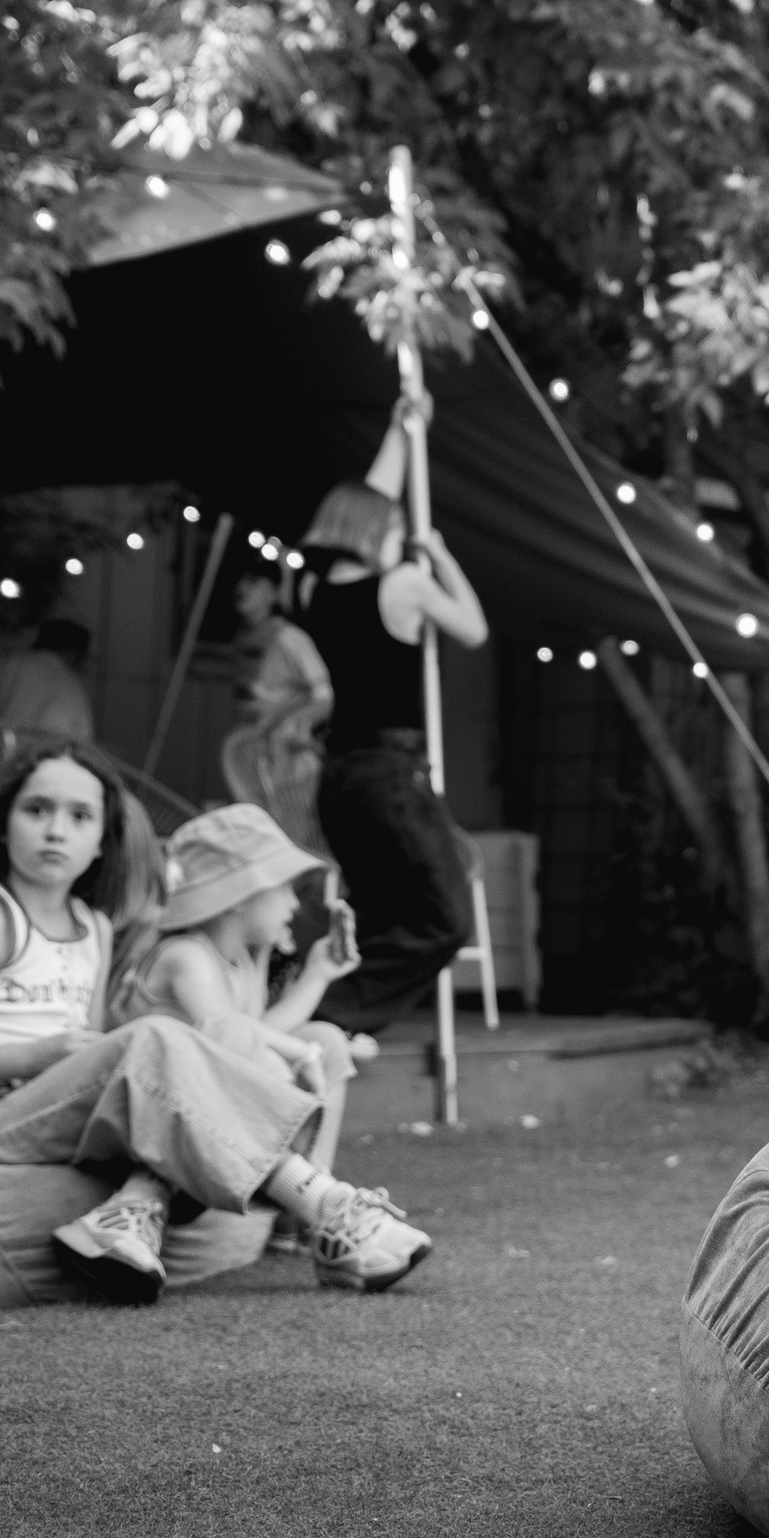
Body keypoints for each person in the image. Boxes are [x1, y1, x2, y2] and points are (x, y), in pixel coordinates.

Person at [0, 740, 431, 1303]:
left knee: (171, 1084)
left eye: (80, 816)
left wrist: (69, 1062)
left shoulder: (92, 927)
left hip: (53, 1112)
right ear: (1, 827)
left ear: (101, 842)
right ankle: (326, 1208)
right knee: (162, 1042)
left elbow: (89, 1052)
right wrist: (34, 1056)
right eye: (36, 810)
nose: (56, 830)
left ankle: (130, 1213)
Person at [294, 395, 489, 1034]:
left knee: (380, 917)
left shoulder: (312, 589)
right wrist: (440, 554)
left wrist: (401, 430)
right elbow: (474, 629)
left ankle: (324, 1023)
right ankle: (328, 1017)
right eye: (393, 527)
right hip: (389, 775)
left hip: (340, 780)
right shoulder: (402, 585)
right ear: (372, 528)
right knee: (445, 920)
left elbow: (371, 495)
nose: (399, 536)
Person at [112, 804, 364, 1251]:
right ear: (241, 895)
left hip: (211, 1109)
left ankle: (306, 1205)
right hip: (159, 1116)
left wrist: (318, 975)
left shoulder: (243, 960)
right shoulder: (186, 956)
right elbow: (227, 1031)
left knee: (325, 1042)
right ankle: (308, 1197)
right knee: (266, 1048)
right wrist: (296, 1054)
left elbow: (259, 1028)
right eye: (284, 889)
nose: (294, 904)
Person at [223, 569, 334, 855]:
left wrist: (290, 721)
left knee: (294, 847)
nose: (242, 587)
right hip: (250, 760)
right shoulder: (241, 637)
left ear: (273, 592)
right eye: (240, 579)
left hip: (288, 765)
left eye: (253, 580)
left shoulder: (290, 638)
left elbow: (325, 697)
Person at [0, 618, 94, 741]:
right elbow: (82, 743)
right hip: (45, 755)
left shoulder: (9, 661)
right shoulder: (75, 689)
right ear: (73, 653)